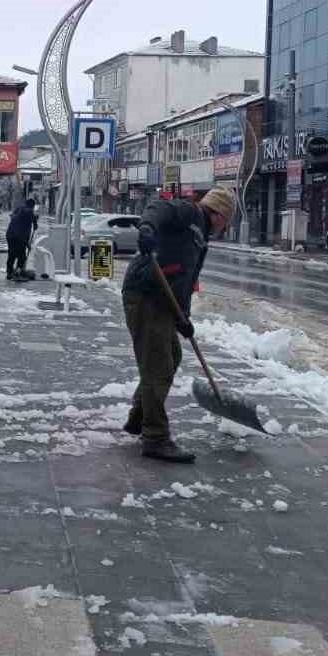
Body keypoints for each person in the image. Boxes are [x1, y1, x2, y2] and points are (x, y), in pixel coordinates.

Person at [120, 186, 236, 463]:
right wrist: (147, 229)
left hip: (163, 301)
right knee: (157, 365)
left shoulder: (200, 237)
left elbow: (184, 281)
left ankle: (139, 417)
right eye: (226, 221)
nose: (224, 227)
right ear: (218, 214)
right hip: (146, 293)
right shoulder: (190, 212)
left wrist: (184, 318)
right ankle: (155, 437)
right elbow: (157, 207)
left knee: (171, 356)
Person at [5, 197, 38, 281]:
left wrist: (34, 222)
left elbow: (13, 216)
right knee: (21, 256)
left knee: (11, 254)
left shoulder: (19, 209)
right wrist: (35, 223)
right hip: (19, 236)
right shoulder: (29, 211)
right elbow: (30, 216)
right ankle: (18, 272)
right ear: (32, 206)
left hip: (10, 235)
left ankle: (9, 273)